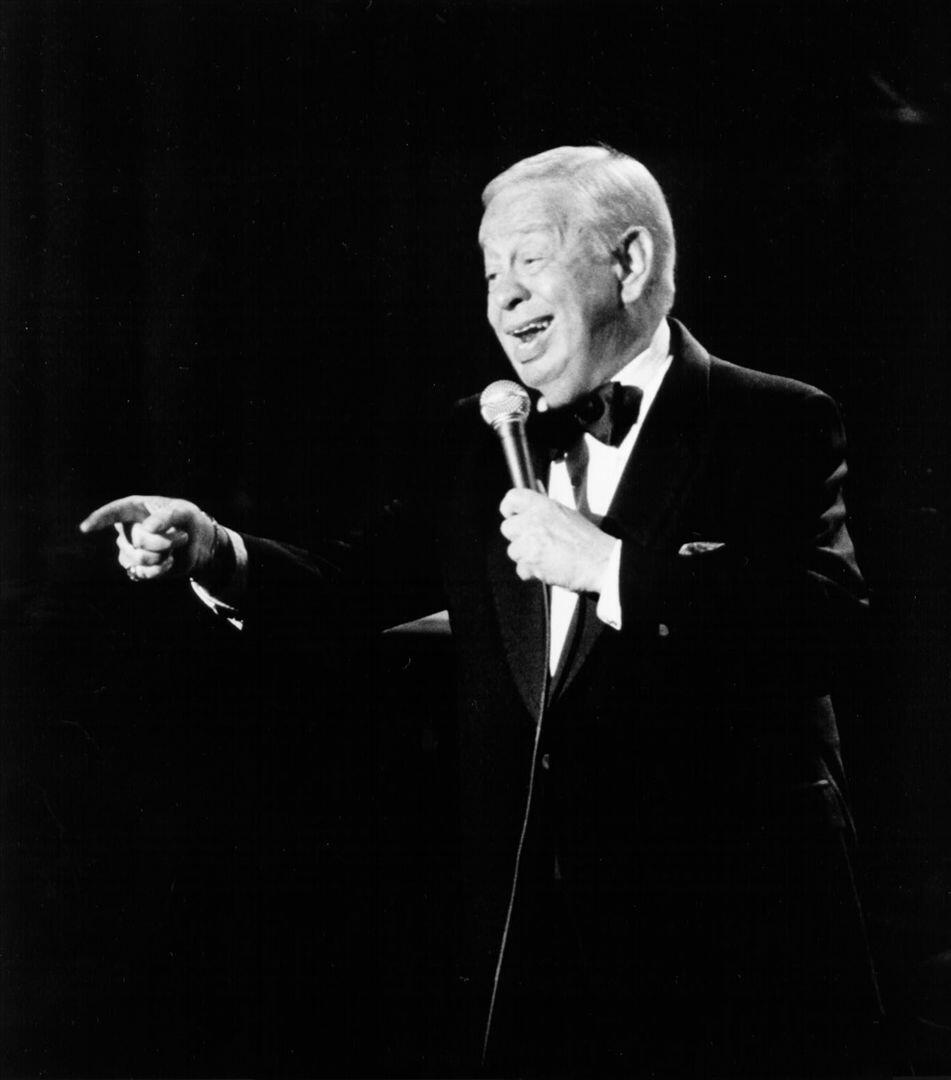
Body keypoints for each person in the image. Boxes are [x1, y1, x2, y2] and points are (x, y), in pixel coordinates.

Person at [81, 146, 884, 1077]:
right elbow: (350, 584)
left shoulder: (772, 419)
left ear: (628, 263)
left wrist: (607, 567)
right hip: (530, 944)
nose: (503, 299)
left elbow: (827, 628)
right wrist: (214, 549)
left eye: (528, 260)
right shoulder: (481, 436)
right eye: (489, 273)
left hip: (728, 938)